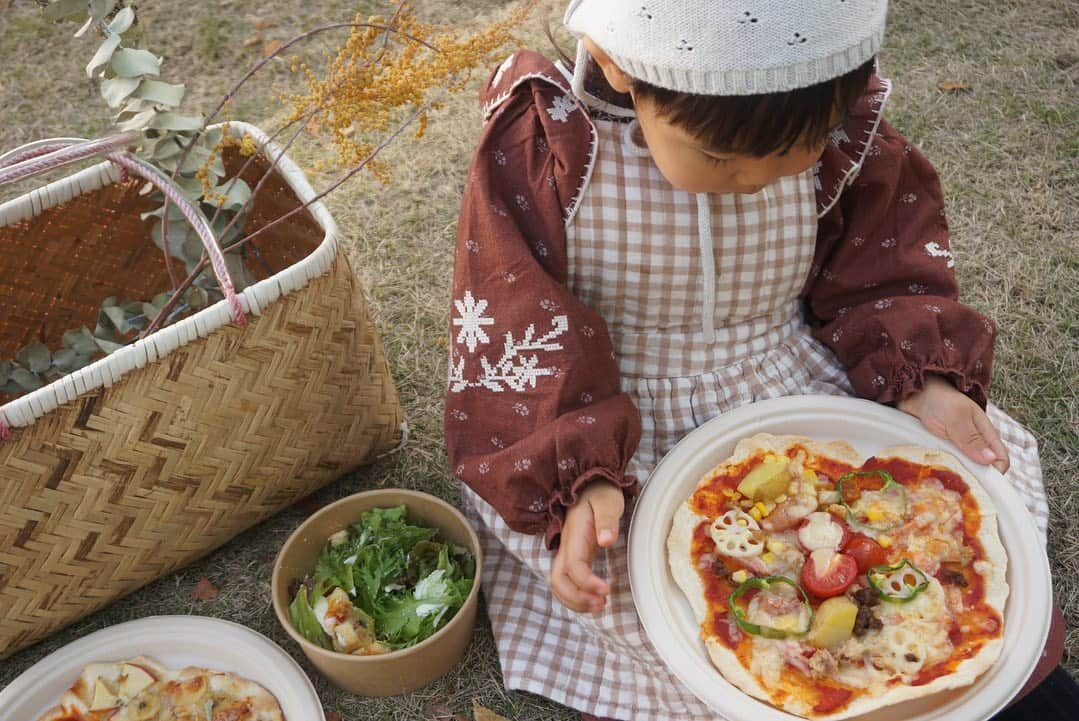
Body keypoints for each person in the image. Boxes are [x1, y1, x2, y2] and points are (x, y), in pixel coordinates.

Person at [444, 2, 1069, 719]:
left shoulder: (824, 112)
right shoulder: (550, 145)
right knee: (629, 596)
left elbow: (882, 263)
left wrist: (918, 372)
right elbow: (519, 326)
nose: (755, 178)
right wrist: (577, 475)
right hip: (614, 422)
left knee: (966, 510)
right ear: (618, 63)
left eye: (793, 152)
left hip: (794, 378)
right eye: (716, 156)